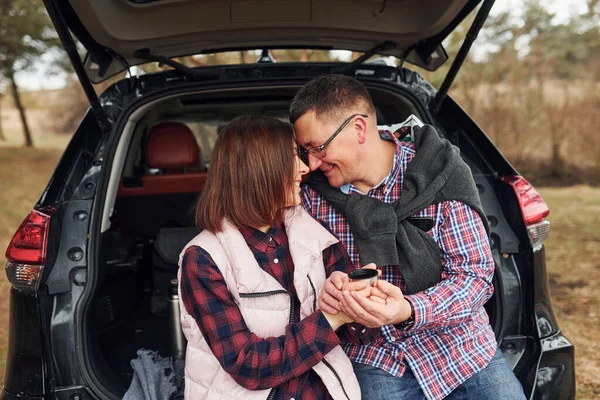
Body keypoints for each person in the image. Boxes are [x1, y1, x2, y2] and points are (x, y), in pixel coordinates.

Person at [290, 75, 526, 400]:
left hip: (462, 349)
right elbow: (296, 282)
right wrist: (330, 290)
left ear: (358, 128)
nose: (313, 163)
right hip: (375, 357)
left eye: (318, 147)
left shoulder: (439, 173)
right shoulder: (310, 197)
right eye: (305, 152)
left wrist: (409, 311)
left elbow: (475, 277)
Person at [177, 114, 365, 400]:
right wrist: (331, 317)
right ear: (259, 168)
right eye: (293, 156)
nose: (305, 168)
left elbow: (359, 332)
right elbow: (249, 366)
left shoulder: (315, 235)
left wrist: (357, 301)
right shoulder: (202, 259)